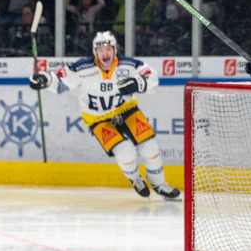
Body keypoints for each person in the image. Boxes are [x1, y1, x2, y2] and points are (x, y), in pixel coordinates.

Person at [29, 31, 180, 199]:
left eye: (109, 49)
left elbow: (150, 75)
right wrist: (44, 79)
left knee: (149, 147)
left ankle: (160, 185)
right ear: (95, 53)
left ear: (115, 50)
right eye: (101, 50)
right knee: (124, 150)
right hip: (99, 119)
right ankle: (135, 179)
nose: (105, 53)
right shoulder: (83, 68)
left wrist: (138, 82)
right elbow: (59, 77)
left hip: (128, 111)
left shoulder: (128, 65)